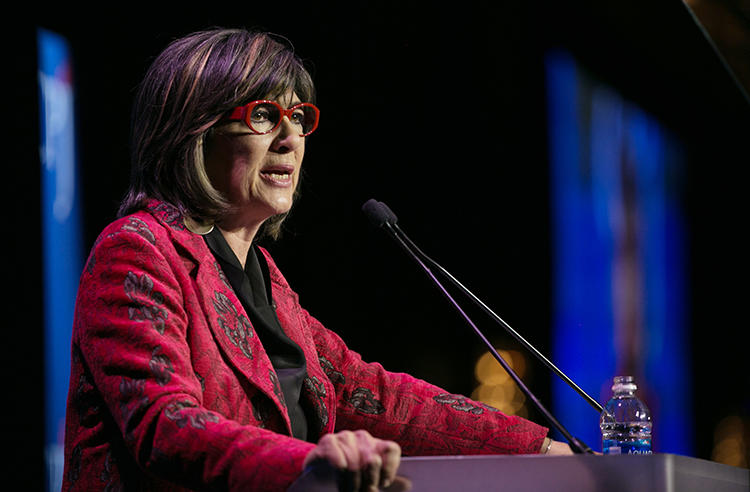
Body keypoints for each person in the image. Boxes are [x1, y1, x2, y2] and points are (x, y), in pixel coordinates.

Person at [61, 27, 573, 492]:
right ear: (194, 131)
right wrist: (307, 463)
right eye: (263, 115)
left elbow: (369, 394)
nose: (290, 139)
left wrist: (543, 451)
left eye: (299, 117)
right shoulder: (137, 250)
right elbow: (165, 426)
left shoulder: (265, 280)